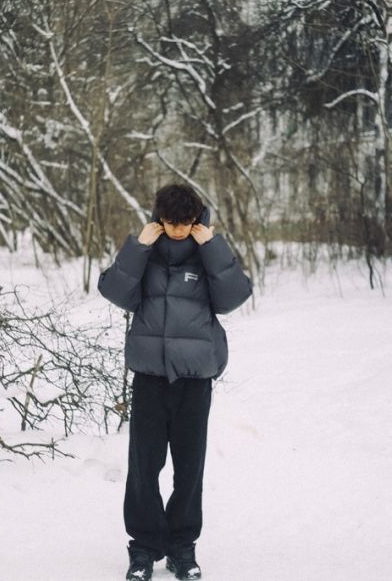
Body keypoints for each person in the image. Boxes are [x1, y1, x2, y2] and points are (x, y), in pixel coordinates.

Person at [97, 183, 252, 581]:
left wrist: (213, 247)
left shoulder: (207, 253)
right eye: (170, 223)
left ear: (196, 219)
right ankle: (144, 550)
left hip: (194, 379)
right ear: (159, 219)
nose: (178, 230)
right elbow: (114, 291)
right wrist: (137, 247)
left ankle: (183, 549)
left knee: (189, 469)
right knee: (144, 468)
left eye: (185, 223)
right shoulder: (146, 252)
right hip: (150, 377)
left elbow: (234, 298)